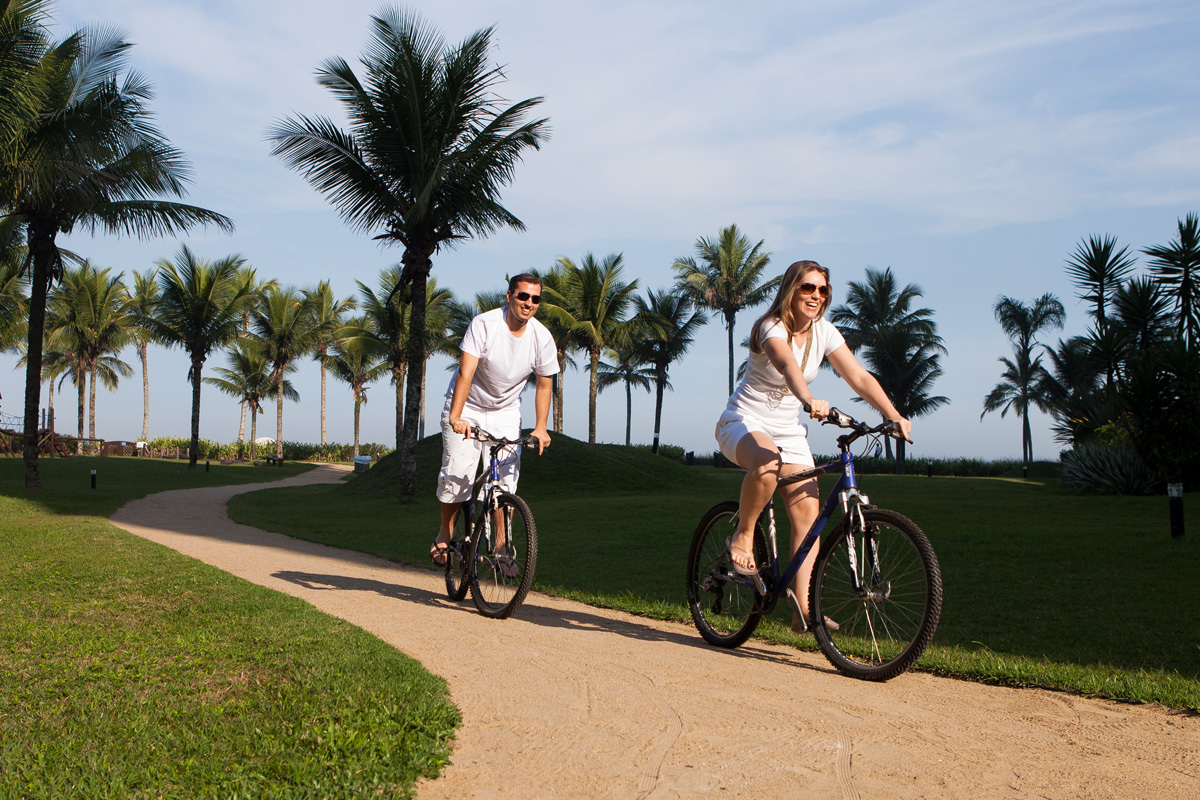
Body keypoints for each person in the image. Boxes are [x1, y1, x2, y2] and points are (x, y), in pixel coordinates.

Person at [715, 260, 912, 632]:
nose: (816, 296)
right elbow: (787, 364)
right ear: (792, 289)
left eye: (822, 290)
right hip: (744, 422)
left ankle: (802, 608)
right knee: (768, 462)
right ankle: (742, 535)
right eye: (808, 288)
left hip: (788, 430)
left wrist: (893, 415)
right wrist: (809, 400)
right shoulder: (769, 327)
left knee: (808, 514)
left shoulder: (825, 332)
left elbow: (856, 374)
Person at [430, 273, 558, 570]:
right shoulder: (485, 325)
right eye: (523, 296)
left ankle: (501, 546)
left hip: (505, 411)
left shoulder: (541, 338)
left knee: (504, 486)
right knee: (457, 476)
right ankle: (445, 532)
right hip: (468, 405)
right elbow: (466, 372)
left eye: (535, 299)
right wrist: (456, 416)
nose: (529, 303)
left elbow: (544, 385)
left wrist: (541, 426)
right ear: (509, 296)